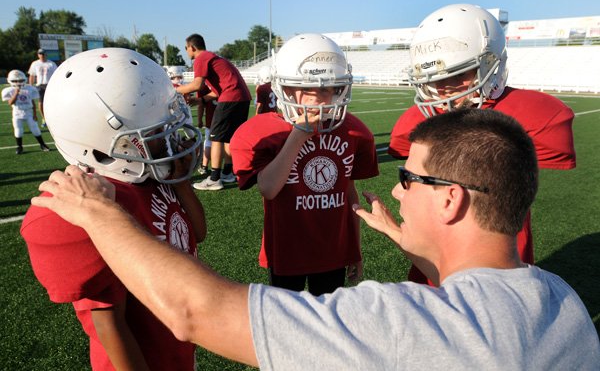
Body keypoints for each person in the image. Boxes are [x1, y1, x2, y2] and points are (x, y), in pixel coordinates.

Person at [31, 108, 600, 369]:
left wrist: (99, 215)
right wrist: (416, 245)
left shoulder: (400, 324)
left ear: (450, 199)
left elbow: (193, 311)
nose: (396, 194)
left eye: (408, 179)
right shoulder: (562, 301)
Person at [20, 48, 206, 371]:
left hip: (176, 348)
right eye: (155, 133)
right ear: (105, 146)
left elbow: (197, 233)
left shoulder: (153, 176)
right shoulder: (98, 208)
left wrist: (181, 183)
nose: (171, 138)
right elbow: (109, 324)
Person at [388, 3, 576, 285]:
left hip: (500, 268)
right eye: (436, 79)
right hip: (430, 266)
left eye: (457, 75)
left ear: (492, 65)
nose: (444, 90)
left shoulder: (540, 115)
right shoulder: (411, 123)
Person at [230, 33, 379, 295]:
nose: (319, 99)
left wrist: (355, 249)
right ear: (282, 88)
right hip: (287, 251)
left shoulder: (355, 131)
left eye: (327, 88)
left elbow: (348, 193)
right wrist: (298, 134)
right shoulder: (264, 131)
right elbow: (268, 189)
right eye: (307, 88)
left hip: (333, 250)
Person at [176, 33, 252, 190]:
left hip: (231, 97)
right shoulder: (214, 58)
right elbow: (218, 90)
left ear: (192, 47)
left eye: (186, 48)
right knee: (228, 138)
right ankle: (227, 173)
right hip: (242, 98)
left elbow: (197, 85)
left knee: (216, 137)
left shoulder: (201, 58)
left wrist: (175, 89)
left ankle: (214, 178)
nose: (186, 51)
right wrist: (201, 100)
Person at [2, 69, 51, 154]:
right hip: (17, 112)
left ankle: (42, 145)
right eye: (15, 81)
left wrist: (35, 114)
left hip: (29, 112)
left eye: (20, 80)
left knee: (35, 129)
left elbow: (32, 102)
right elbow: (10, 102)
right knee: (18, 131)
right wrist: (16, 93)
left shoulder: (29, 88)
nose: (18, 82)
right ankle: (19, 147)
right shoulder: (10, 90)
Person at [28, 48, 58, 127]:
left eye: (43, 54)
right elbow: (32, 75)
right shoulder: (35, 63)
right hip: (40, 85)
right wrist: (31, 86)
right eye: (40, 54)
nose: (42, 55)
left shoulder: (51, 64)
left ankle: (52, 117)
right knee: (41, 102)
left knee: (51, 102)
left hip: (50, 85)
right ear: (38, 55)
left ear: (46, 54)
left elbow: (56, 75)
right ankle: (44, 118)